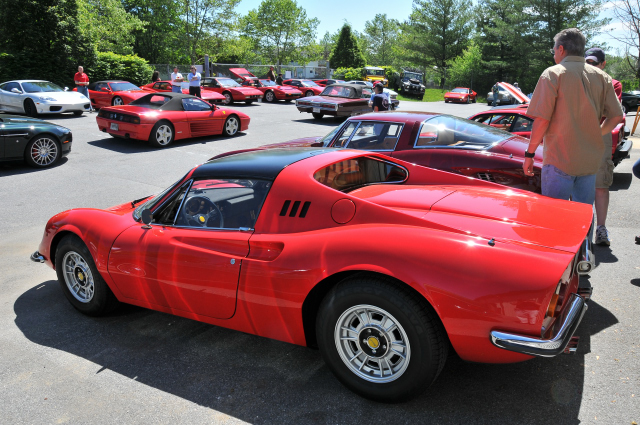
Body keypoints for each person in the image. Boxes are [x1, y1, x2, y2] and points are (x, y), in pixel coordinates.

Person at [522, 28, 624, 241]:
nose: (553, 54)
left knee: (554, 216)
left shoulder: (553, 74)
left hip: (560, 159)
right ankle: (584, 258)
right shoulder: (603, 77)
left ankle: (559, 263)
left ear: (561, 49)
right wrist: (597, 133)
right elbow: (616, 116)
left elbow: (541, 120)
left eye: (554, 50)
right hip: (588, 162)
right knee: (583, 216)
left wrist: (530, 154)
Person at [584, 47, 623, 246]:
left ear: (603, 64)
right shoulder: (576, 81)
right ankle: (581, 231)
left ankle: (601, 228)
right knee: (578, 184)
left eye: (595, 63)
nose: (591, 67)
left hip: (601, 134)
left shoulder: (613, 84)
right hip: (579, 136)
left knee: (600, 184)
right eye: (587, 63)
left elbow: (610, 114)